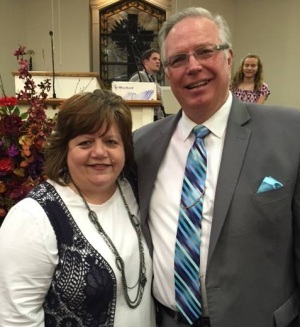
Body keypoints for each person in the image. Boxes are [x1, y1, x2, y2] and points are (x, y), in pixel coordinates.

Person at [133, 6, 300, 327]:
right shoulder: (142, 146)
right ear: (166, 72)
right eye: (178, 59)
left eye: (205, 51)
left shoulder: (290, 135)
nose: (193, 66)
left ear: (228, 57)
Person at [0, 90, 155, 327]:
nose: (100, 152)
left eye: (111, 141)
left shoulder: (134, 191)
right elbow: (16, 320)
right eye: (85, 142)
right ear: (65, 149)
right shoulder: (33, 219)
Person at [130, 48, 165, 120]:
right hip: (144, 118)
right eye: (154, 59)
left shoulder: (154, 81)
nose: (158, 62)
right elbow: (131, 95)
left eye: (159, 59)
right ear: (145, 62)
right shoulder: (140, 76)